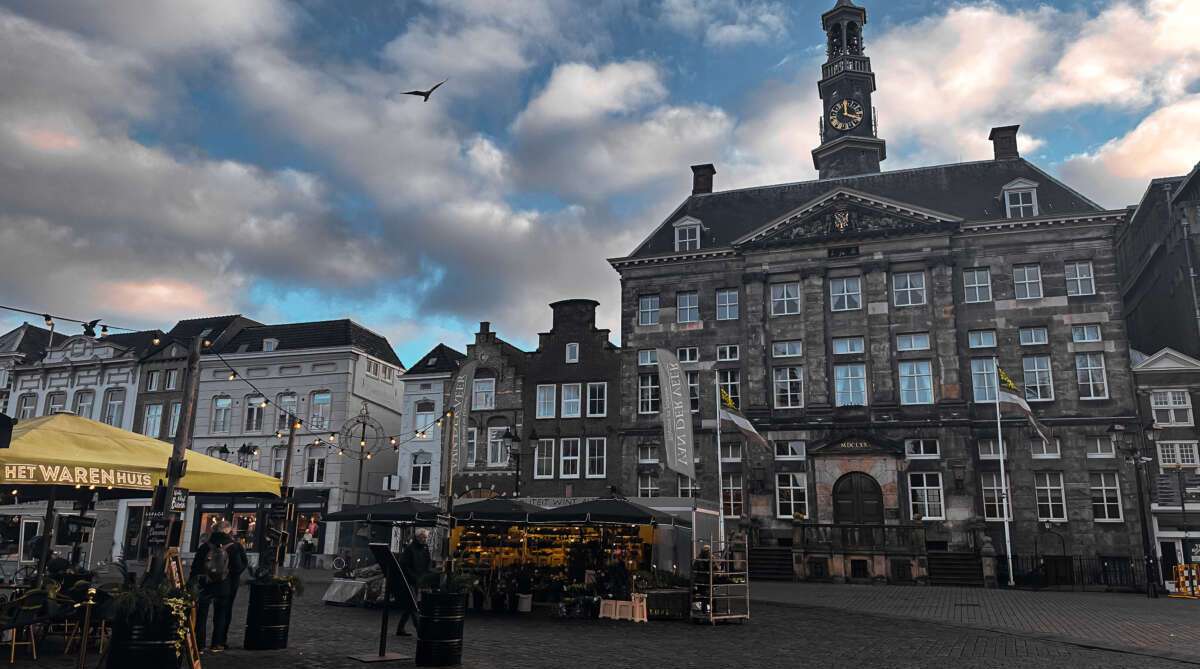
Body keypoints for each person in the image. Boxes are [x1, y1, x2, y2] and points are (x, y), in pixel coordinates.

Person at [189, 520, 247, 652]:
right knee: (221, 614)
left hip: (205, 584)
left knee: (201, 615)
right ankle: (218, 643)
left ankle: (199, 644)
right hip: (224, 585)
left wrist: (192, 582)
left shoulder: (205, 546)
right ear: (228, 531)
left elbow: (196, 567)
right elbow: (239, 567)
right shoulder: (234, 546)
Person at [394, 531, 431, 636]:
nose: (425, 539)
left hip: (418, 579)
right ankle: (419, 629)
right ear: (418, 537)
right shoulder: (410, 549)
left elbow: (427, 561)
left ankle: (400, 628)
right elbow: (404, 565)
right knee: (413, 604)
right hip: (409, 580)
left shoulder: (425, 548)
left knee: (410, 605)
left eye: (426, 537)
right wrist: (413, 576)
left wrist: (425, 574)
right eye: (423, 537)